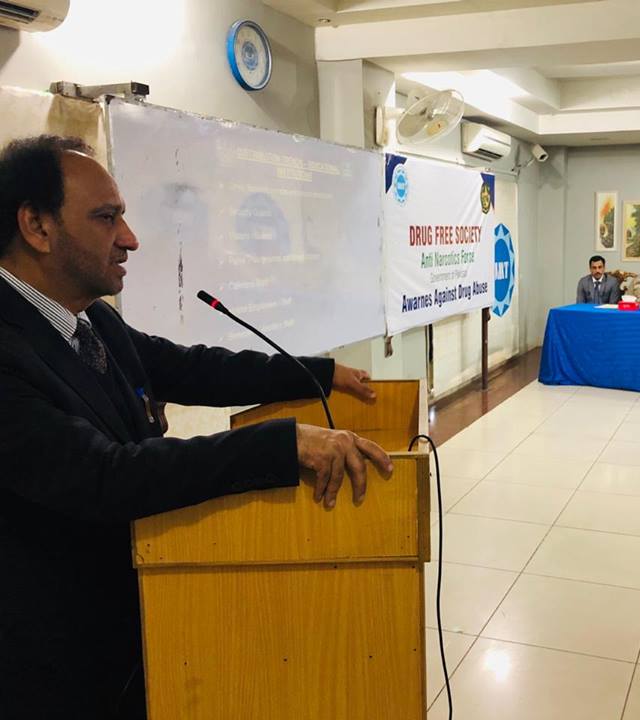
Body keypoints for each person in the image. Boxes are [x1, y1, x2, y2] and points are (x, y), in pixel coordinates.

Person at [0, 136, 394, 719]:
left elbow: (191, 369)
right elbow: (103, 475)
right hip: (53, 659)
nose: (129, 238)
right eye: (106, 218)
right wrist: (283, 444)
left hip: (136, 621)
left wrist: (318, 374)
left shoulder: (92, 322)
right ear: (37, 226)